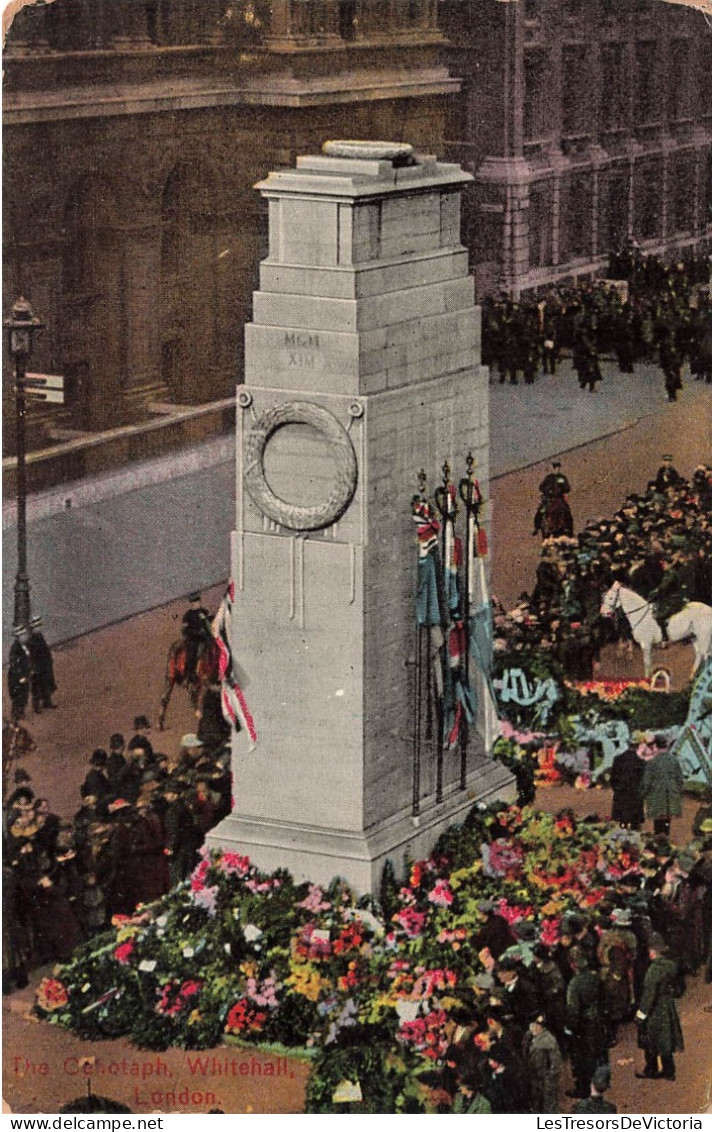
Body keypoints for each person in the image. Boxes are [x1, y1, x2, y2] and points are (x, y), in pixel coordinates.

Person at [635, 934, 684, 1081]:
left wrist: (641, 1014)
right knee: (666, 1039)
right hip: (668, 1005)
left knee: (651, 1039)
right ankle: (669, 1070)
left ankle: (651, 1069)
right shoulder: (671, 965)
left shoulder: (653, 971)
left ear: (652, 951)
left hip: (655, 1010)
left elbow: (649, 995)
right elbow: (679, 987)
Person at [640, 735, 684, 837]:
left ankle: (659, 841)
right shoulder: (674, 760)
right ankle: (665, 840)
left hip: (657, 797)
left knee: (658, 823)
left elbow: (647, 782)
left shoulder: (652, 762)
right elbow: (680, 780)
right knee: (667, 822)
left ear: (655, 745)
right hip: (671, 797)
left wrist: (642, 795)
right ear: (666, 745)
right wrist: (677, 793)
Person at [527, 1012, 563, 1113]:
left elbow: (556, 1064)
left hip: (545, 1080)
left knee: (549, 1107)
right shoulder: (531, 1036)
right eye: (532, 1025)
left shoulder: (548, 1040)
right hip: (536, 1078)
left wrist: (549, 1080)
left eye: (537, 1026)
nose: (533, 1028)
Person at [610, 743, 646, 830]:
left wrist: (617, 789)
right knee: (636, 824)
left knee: (621, 824)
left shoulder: (618, 759)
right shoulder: (641, 761)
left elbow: (613, 779)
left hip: (621, 794)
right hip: (635, 796)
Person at [181, 592, 212, 682]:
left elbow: (209, 623)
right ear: (191, 604)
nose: (197, 604)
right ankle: (192, 674)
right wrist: (197, 632)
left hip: (206, 637)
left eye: (198, 601)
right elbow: (185, 630)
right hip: (194, 639)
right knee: (194, 653)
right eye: (195, 602)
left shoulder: (204, 611)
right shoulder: (187, 616)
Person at [28, 617, 57, 712]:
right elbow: (33, 654)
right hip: (38, 666)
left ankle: (47, 702)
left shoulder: (38, 635)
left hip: (44, 664)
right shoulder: (32, 639)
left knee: (46, 683)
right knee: (37, 686)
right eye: (37, 625)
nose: (39, 627)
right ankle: (36, 706)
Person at [8, 626, 32, 721]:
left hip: (24, 674)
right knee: (18, 696)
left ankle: (21, 712)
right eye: (23, 635)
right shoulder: (15, 648)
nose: (25, 636)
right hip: (17, 677)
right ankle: (15, 714)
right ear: (18, 637)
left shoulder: (24, 646)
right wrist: (21, 676)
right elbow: (14, 665)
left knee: (24, 694)